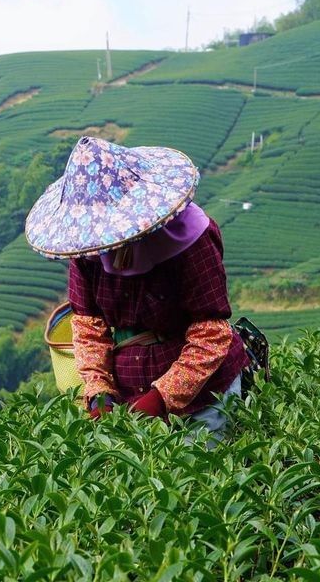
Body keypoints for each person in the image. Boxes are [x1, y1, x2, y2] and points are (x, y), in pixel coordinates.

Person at [25, 136, 248, 435]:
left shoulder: (190, 241)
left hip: (202, 392)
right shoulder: (87, 252)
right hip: (128, 390)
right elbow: (89, 324)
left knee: (202, 472)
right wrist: (99, 391)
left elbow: (211, 331)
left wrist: (161, 398)